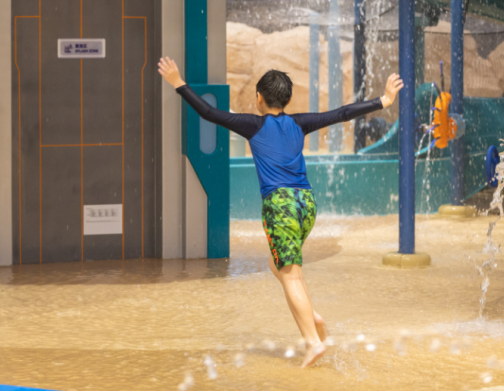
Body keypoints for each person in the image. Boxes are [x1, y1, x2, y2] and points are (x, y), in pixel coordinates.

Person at [158, 56, 404, 367]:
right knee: (280, 268)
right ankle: (312, 317)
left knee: (290, 275)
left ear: (259, 98)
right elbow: (341, 114)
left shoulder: (253, 124)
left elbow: (209, 112)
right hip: (306, 204)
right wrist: (383, 99)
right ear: (286, 100)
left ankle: (313, 342)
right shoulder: (299, 122)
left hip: (281, 205)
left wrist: (178, 82)